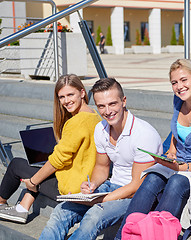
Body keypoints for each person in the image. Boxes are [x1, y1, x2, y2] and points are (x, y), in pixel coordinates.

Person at [114, 59, 191, 239]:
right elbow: (176, 130)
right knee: (151, 179)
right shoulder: (179, 100)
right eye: (174, 82)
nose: (179, 86)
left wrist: (180, 168)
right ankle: (123, 236)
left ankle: (152, 235)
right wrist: (172, 149)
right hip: (178, 161)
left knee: (176, 183)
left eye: (184, 80)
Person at [39, 78, 162, 240]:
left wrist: (103, 199)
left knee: (94, 215)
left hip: (139, 195)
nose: (107, 111)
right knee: (61, 211)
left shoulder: (143, 134)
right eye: (101, 106)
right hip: (111, 186)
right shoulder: (101, 129)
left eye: (112, 104)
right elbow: (102, 169)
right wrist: (92, 185)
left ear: (123, 101)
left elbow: (137, 185)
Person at [0, 74, 101, 223]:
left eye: (70, 94)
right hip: (82, 178)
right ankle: (22, 208)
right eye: (62, 97)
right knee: (41, 166)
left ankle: (1, 202)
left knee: (16, 165)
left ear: (82, 92)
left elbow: (58, 160)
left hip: (71, 188)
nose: (66, 101)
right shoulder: (94, 115)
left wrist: (33, 182)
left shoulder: (77, 122)